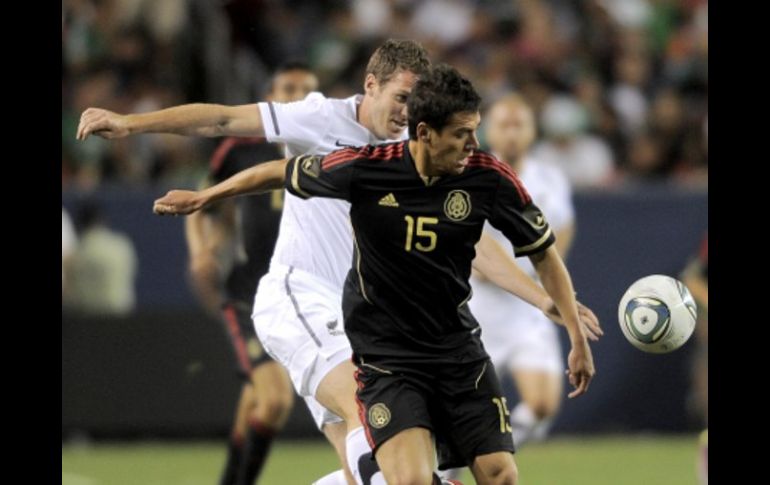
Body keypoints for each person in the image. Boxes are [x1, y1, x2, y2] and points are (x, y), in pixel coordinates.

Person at [153, 64, 596, 485]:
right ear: (425, 133)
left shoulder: (488, 178)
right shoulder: (367, 168)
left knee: (501, 473)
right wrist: (206, 196)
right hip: (388, 360)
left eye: (475, 129)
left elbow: (543, 252)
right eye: (462, 133)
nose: (473, 143)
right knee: (408, 480)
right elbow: (278, 171)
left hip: (458, 352)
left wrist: (573, 333)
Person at [186, 63, 319, 485]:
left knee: (255, 402)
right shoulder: (242, 146)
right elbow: (203, 203)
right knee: (276, 400)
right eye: (289, 87)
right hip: (249, 292)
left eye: (307, 90)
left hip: (299, 292)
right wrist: (201, 249)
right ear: (270, 94)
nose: (297, 95)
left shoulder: (327, 147)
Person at [471, 94, 581, 447]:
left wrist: (549, 270)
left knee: (544, 404)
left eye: (520, 125)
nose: (512, 133)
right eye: (504, 125)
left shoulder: (548, 178)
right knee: (465, 406)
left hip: (529, 304)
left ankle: (494, 450)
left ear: (533, 131)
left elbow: (563, 225)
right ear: (489, 130)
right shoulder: (472, 173)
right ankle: (460, 463)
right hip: (480, 304)